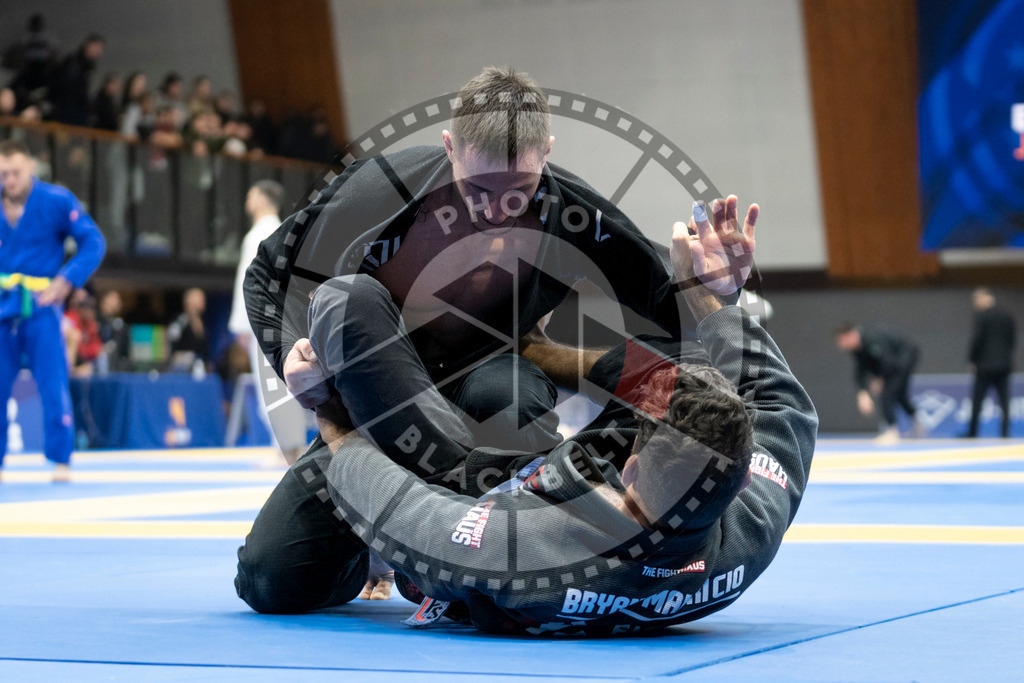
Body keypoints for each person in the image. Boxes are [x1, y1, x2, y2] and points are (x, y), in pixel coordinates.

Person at [237, 194, 817, 635]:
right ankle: (525, 356)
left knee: (346, 305)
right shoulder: (749, 526)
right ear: (744, 479)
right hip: (542, 483)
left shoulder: (531, 554)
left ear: (632, 470)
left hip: (446, 494)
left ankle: (364, 556)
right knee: (682, 378)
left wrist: (328, 408)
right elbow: (781, 404)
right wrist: (714, 295)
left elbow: (402, 506)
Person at [0, 139, 106, 482]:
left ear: (31, 167)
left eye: (15, 172)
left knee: (53, 384)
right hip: (3, 308)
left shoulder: (56, 200)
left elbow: (93, 242)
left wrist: (65, 281)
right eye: (3, 174)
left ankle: (61, 460)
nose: (9, 180)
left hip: (42, 308)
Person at [228, 180, 308, 463]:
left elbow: (247, 283)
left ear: (262, 199)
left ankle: (285, 450)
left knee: (272, 385)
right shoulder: (287, 228)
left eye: (250, 194)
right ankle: (288, 447)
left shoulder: (257, 235)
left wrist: (241, 324)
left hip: (262, 317)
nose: (248, 199)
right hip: (285, 316)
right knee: (284, 381)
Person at [835, 322, 922, 443]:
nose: (840, 345)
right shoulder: (857, 350)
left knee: (887, 394)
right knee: (900, 396)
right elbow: (860, 371)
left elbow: (888, 361)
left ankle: (892, 431)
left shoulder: (872, 339)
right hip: (891, 365)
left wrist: (880, 379)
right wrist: (862, 392)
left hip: (904, 357)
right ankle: (919, 425)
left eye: (842, 340)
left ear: (851, 335)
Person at [967, 288, 1016, 438]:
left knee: (978, 399)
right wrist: (1007, 357)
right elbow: (1012, 339)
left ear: (983, 298)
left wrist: (972, 360)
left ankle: (973, 433)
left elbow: (977, 340)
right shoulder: (1007, 315)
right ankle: (1005, 432)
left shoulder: (982, 317)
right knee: (1004, 399)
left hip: (984, 365)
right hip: (1004, 363)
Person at [48, 34, 105, 126]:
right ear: (89, 45)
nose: (100, 52)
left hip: (76, 110)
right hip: (68, 111)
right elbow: (67, 88)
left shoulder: (87, 65)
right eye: (98, 47)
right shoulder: (74, 63)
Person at [167, 287, 209, 373]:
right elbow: (172, 341)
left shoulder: (203, 323)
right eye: (200, 300)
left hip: (198, 366)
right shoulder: (180, 321)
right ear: (190, 302)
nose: (203, 303)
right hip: (182, 367)